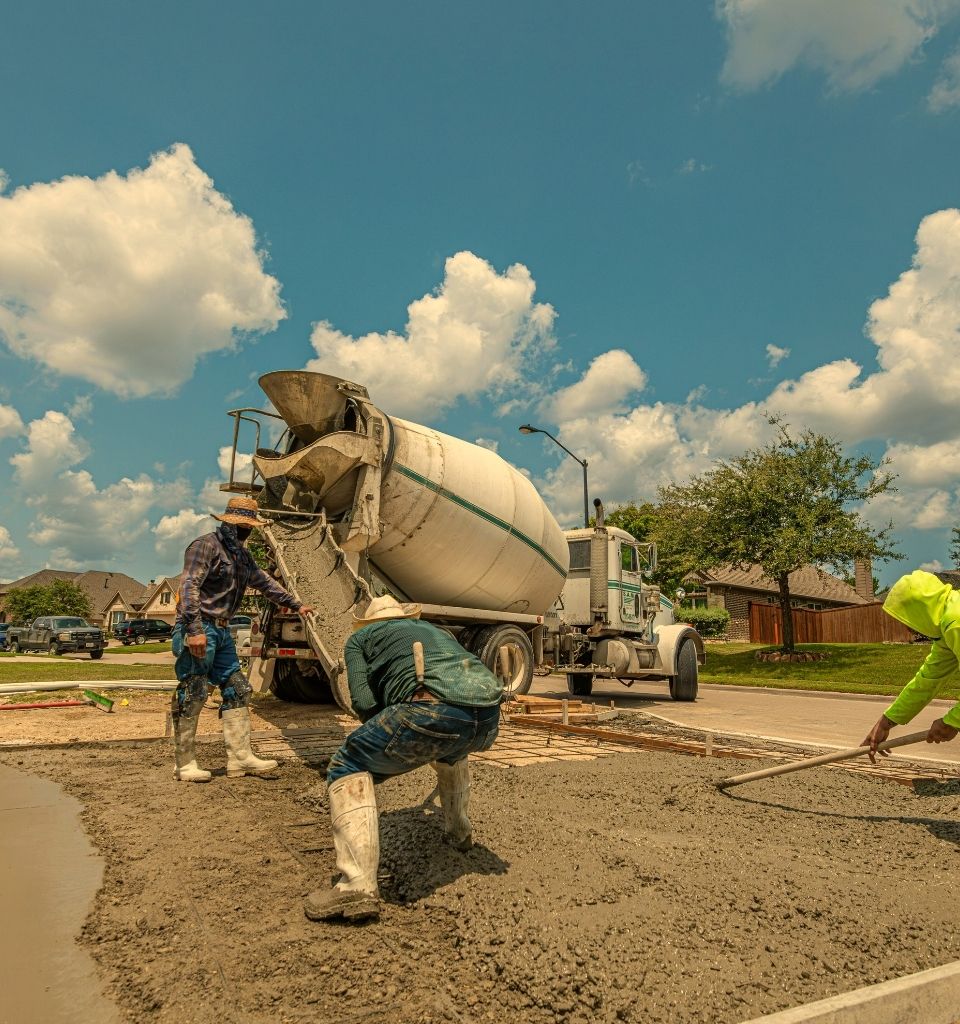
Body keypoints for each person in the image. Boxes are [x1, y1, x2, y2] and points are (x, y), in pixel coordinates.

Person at [303, 595, 503, 923]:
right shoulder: (435, 630)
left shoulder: (360, 639)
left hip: (429, 710)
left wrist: (389, 734)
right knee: (451, 754)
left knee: (347, 763)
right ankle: (459, 833)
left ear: (369, 622)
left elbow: (363, 701)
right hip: (488, 718)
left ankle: (356, 886)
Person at [171, 495, 313, 783]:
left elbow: (264, 582)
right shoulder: (205, 546)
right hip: (200, 626)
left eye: (249, 526)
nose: (247, 530)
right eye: (243, 526)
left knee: (238, 688)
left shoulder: (242, 557)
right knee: (194, 690)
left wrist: (297, 605)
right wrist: (195, 630)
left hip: (222, 630)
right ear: (229, 524)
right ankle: (184, 764)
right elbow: (188, 586)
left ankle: (239, 757)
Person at [863, 570, 960, 762]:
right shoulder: (946, 627)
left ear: (919, 609)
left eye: (906, 618)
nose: (907, 628)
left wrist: (952, 721)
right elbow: (927, 681)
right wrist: (886, 722)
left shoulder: (955, 623)